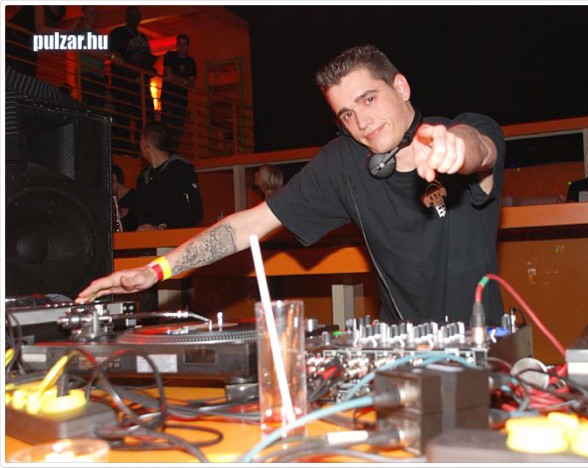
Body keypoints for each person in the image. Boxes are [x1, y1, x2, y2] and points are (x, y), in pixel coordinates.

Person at [77, 44, 505, 327]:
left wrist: (456, 150)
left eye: (369, 99)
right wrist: (157, 270)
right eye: (346, 114)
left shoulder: (463, 132)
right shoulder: (343, 162)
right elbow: (247, 226)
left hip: (478, 348)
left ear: (401, 86)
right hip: (398, 353)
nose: (362, 122)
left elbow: (481, 150)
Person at [120, 122, 203, 231]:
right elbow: (139, 216)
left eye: (140, 140)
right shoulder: (144, 177)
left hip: (172, 240)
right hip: (146, 240)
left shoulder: (180, 171)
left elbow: (193, 214)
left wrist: (161, 228)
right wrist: (122, 218)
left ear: (146, 143)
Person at [109, 6, 157, 153]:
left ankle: (139, 148)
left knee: (145, 116)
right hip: (123, 84)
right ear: (127, 17)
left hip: (141, 85)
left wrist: (149, 71)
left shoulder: (143, 38)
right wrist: (125, 68)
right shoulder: (118, 33)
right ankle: (123, 148)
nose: (136, 18)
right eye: (133, 15)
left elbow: (147, 61)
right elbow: (113, 55)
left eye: (138, 15)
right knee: (123, 117)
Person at [6, 6, 74, 77]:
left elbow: (51, 28)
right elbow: (40, 29)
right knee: (14, 71)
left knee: (29, 73)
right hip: (13, 37)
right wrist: (66, 32)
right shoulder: (40, 5)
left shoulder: (61, 10)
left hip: (28, 43)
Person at [161, 34, 197, 151]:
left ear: (188, 46)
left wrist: (177, 80)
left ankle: (172, 151)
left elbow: (191, 83)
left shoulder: (191, 62)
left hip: (181, 101)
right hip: (168, 98)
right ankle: (165, 151)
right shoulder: (170, 56)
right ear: (177, 45)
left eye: (185, 44)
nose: (182, 47)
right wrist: (184, 81)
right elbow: (169, 77)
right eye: (180, 44)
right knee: (166, 127)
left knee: (178, 130)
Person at [76, 6, 108, 110]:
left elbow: (105, 53)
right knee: (87, 107)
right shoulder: (79, 33)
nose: (95, 16)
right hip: (86, 74)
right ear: (84, 14)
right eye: (92, 13)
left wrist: (111, 55)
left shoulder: (99, 36)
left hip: (99, 76)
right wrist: (111, 56)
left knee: (97, 109)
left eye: (96, 13)